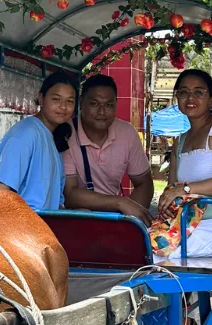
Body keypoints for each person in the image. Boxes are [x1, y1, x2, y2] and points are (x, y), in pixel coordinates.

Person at [154, 69, 212, 259]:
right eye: (184, 92)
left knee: (160, 256)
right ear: (177, 97)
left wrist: (185, 190)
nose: (190, 97)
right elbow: (173, 187)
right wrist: (166, 201)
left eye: (198, 92)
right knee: (144, 244)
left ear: (211, 98)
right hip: (186, 219)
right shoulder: (180, 140)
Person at [62, 74, 154, 225]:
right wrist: (120, 203)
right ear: (80, 103)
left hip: (113, 219)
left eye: (109, 105)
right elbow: (70, 194)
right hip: (76, 218)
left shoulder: (127, 133)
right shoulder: (66, 133)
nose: (102, 112)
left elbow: (144, 183)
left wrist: (128, 222)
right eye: (94, 104)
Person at [0, 72, 77, 210]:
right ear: (41, 99)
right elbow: (0, 190)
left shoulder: (52, 137)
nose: (63, 107)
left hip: (42, 227)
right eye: (56, 99)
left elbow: (57, 203)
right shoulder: (25, 133)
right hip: (22, 227)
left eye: (70, 101)